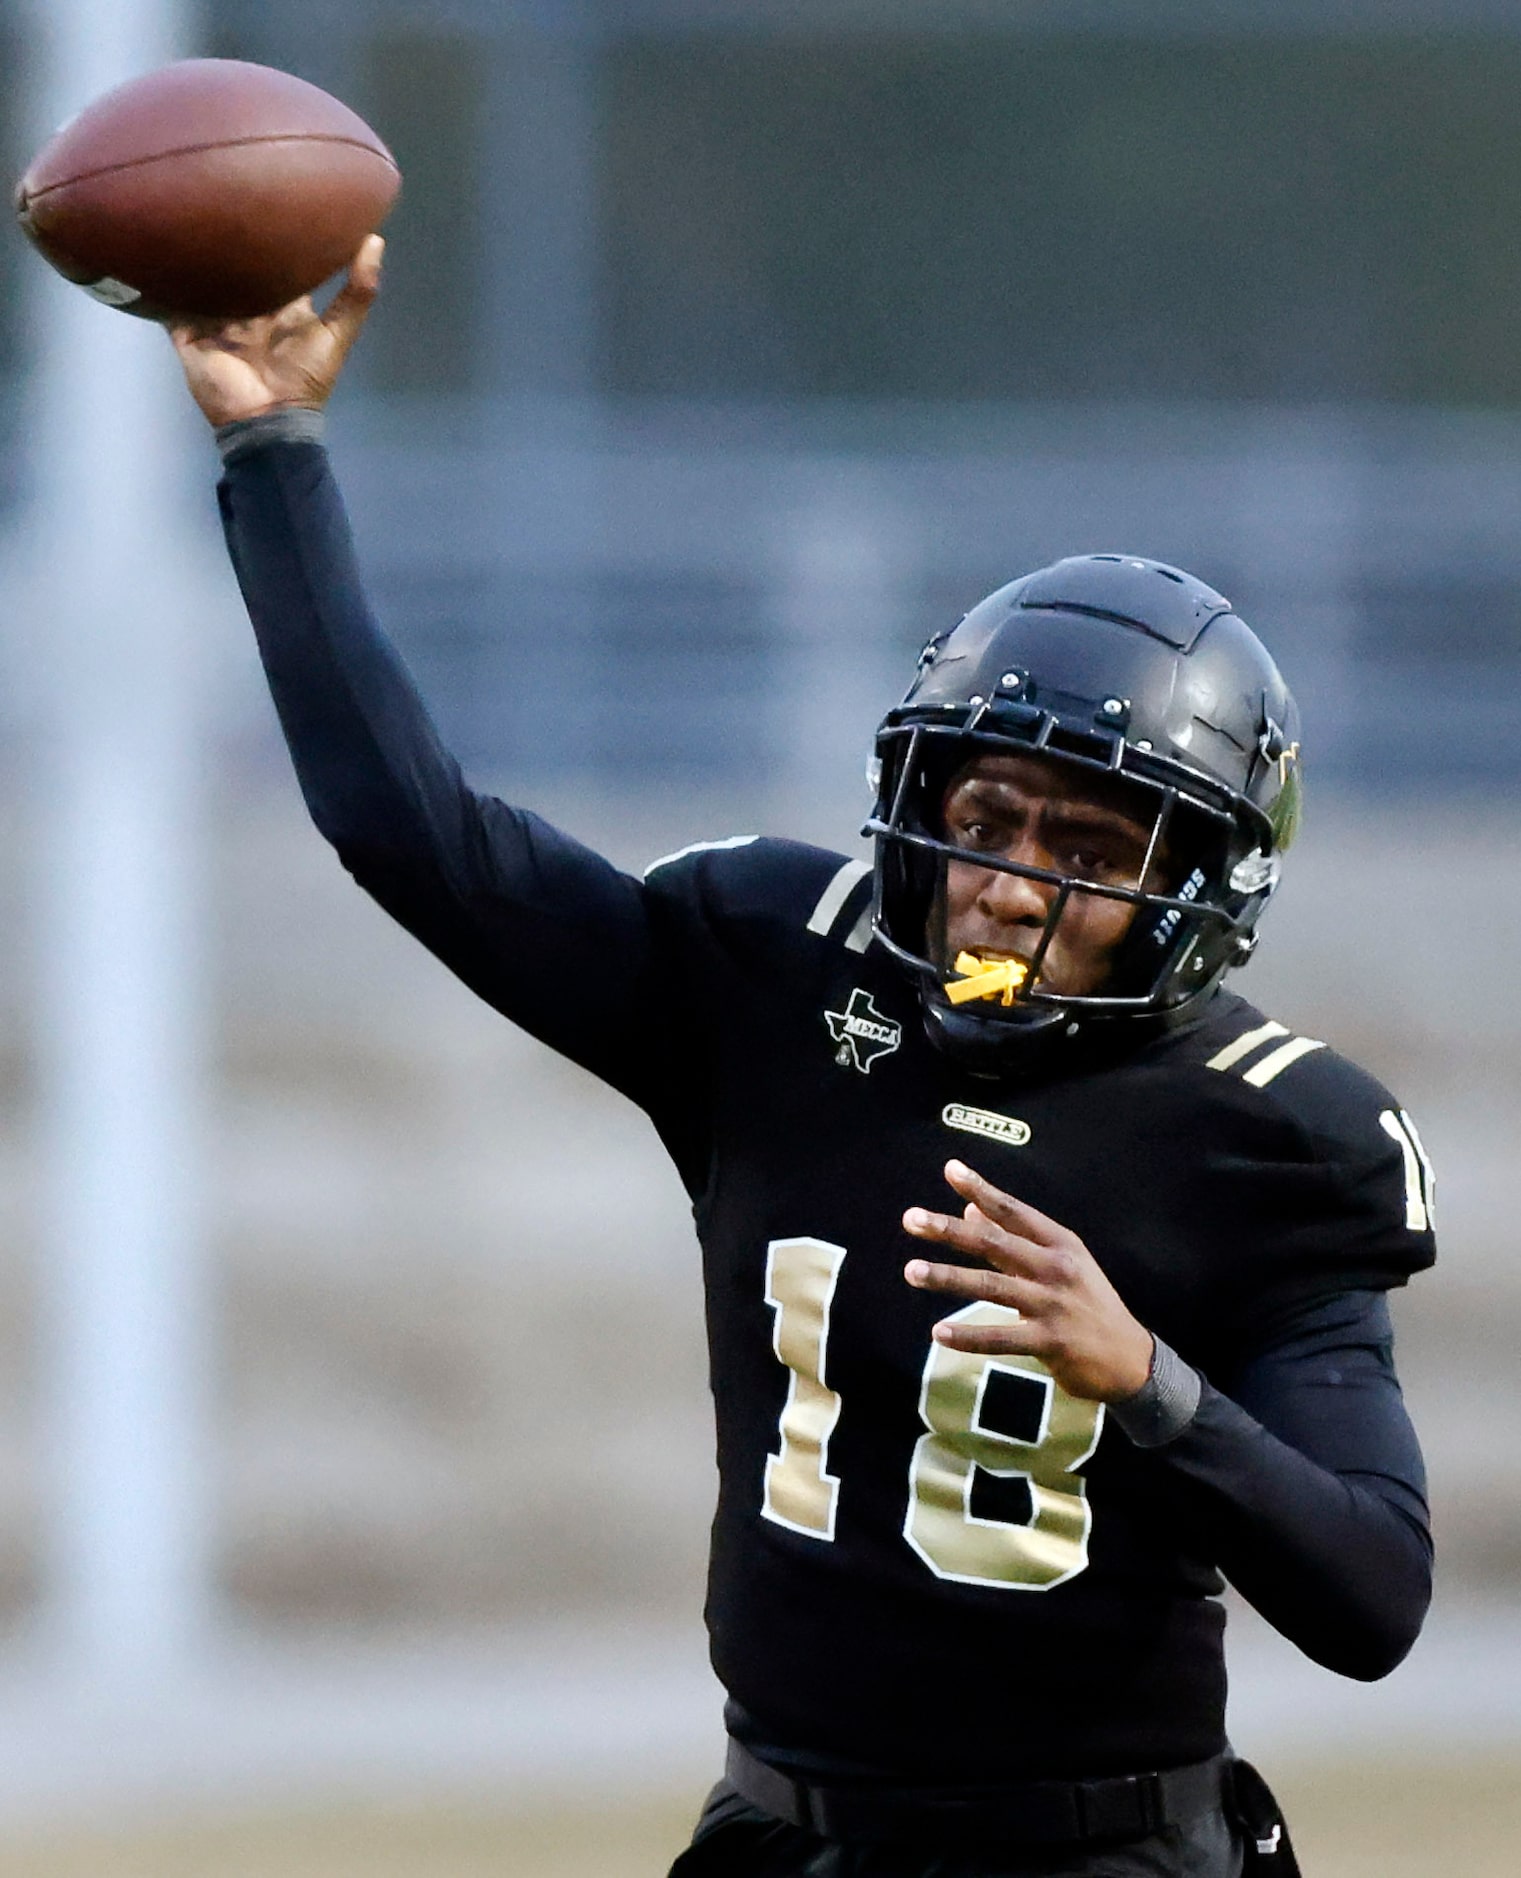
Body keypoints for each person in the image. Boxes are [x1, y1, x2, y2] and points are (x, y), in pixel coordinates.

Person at [168, 239, 1434, 1878]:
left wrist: (1148, 1380)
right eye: (981, 815)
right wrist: (273, 453)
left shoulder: (1273, 1132)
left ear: (1192, 890)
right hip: (780, 1837)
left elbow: (1375, 1595)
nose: (1008, 877)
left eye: (1087, 845)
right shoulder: (772, 971)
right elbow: (416, 835)